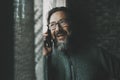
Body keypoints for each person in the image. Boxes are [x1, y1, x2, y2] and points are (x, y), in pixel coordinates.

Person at [43, 7, 120, 80]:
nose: (58, 29)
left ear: (72, 24)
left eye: (63, 22)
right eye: (52, 25)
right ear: (48, 31)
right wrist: (45, 57)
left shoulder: (96, 53)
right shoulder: (47, 59)